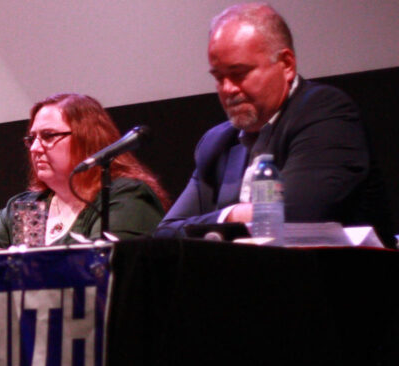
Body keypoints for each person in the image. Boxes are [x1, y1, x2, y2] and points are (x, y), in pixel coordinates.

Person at [154, 3, 395, 247]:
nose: (227, 89)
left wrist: (218, 223)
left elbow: (293, 217)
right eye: (218, 78)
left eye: (239, 73)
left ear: (287, 64)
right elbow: (165, 232)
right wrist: (234, 213)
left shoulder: (327, 115)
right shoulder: (217, 143)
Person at [0, 93, 168, 252]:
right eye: (32, 139)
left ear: (87, 139)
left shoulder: (125, 196)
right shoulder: (29, 208)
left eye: (48, 136)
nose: (35, 148)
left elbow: (105, 271)